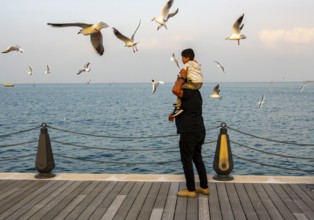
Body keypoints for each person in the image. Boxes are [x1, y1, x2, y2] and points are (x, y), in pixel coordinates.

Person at [168, 48, 209, 198]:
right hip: (199, 130)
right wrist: (173, 114)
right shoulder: (197, 94)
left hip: (189, 131)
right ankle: (204, 187)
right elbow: (185, 108)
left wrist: (182, 77)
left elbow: (175, 90)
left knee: (186, 160)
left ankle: (191, 190)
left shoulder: (186, 92)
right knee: (197, 157)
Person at [171, 48, 203, 117]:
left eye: (183, 58)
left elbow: (182, 73)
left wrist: (179, 80)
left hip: (193, 84)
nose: (182, 60)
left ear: (187, 58)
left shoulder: (186, 65)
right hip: (199, 83)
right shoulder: (196, 64)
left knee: (180, 88)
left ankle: (178, 107)